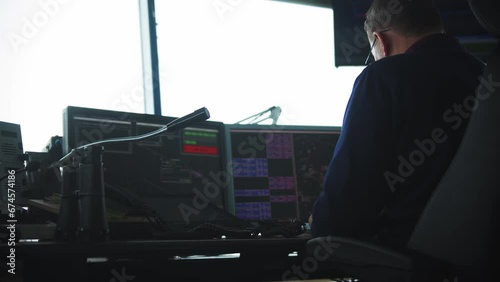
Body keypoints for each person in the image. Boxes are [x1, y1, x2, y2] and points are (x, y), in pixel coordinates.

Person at [310, 0, 485, 249]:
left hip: (410, 255)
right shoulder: (485, 76)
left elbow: (350, 196)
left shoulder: (383, 77)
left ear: (380, 40)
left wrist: (319, 224)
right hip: (481, 256)